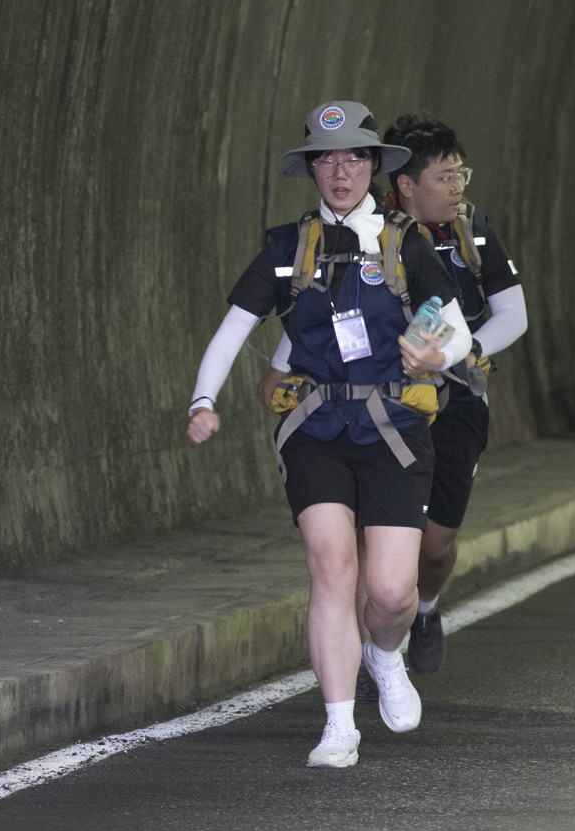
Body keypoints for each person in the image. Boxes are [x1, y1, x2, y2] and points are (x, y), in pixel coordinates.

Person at [186, 101, 471, 768]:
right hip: (313, 426)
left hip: (395, 427)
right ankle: (339, 723)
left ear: (374, 165)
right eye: (325, 158)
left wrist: (435, 353)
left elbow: (454, 328)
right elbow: (233, 332)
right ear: (311, 168)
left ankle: (384, 653)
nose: (339, 171)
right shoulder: (287, 249)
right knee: (332, 565)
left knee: (392, 592)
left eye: (352, 158)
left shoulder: (405, 245)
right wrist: (204, 400)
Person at [261, 114, 529, 676]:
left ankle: (423, 607)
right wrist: (282, 366)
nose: (459, 188)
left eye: (462, 176)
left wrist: (456, 352)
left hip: (452, 399)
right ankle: (366, 658)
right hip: (380, 404)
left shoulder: (471, 234)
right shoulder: (362, 233)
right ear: (404, 183)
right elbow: (320, 314)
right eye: (445, 177)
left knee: (434, 544)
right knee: (368, 539)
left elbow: (514, 315)